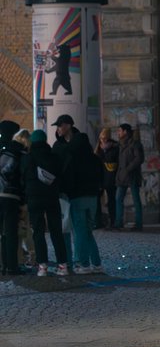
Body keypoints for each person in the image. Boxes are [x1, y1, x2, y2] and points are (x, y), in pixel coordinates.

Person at [52, 113, 103, 274]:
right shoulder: (88, 151)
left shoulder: (69, 152)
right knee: (86, 231)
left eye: (60, 125)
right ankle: (96, 264)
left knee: (79, 230)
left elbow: (66, 172)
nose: (58, 129)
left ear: (68, 126)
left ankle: (83, 264)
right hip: (92, 195)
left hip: (76, 195)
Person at [22, 129, 69, 277]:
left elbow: (23, 177)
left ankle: (42, 266)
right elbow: (61, 176)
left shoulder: (28, 158)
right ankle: (63, 265)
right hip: (51, 197)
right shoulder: (54, 157)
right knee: (56, 231)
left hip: (34, 198)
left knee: (38, 231)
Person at [0, 119, 25, 276]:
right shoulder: (17, 150)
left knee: (2, 233)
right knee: (11, 232)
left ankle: (3, 265)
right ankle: (12, 267)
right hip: (11, 195)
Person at [116, 123, 145, 231]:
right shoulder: (120, 144)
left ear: (125, 132)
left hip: (132, 175)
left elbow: (139, 159)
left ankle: (138, 224)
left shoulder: (135, 144)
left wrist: (128, 168)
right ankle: (118, 223)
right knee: (118, 199)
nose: (118, 133)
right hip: (122, 176)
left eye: (120, 131)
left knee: (136, 199)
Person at [13, 128, 34, 270]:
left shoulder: (15, 155)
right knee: (26, 230)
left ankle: (20, 259)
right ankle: (33, 256)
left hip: (16, 197)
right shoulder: (28, 156)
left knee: (19, 230)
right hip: (27, 197)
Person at [95, 127, 119, 228]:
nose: (103, 140)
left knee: (111, 200)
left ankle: (113, 221)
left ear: (108, 138)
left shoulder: (114, 147)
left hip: (110, 177)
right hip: (100, 177)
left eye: (105, 138)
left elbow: (113, 161)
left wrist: (106, 151)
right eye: (101, 138)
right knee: (97, 199)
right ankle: (98, 221)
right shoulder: (98, 148)